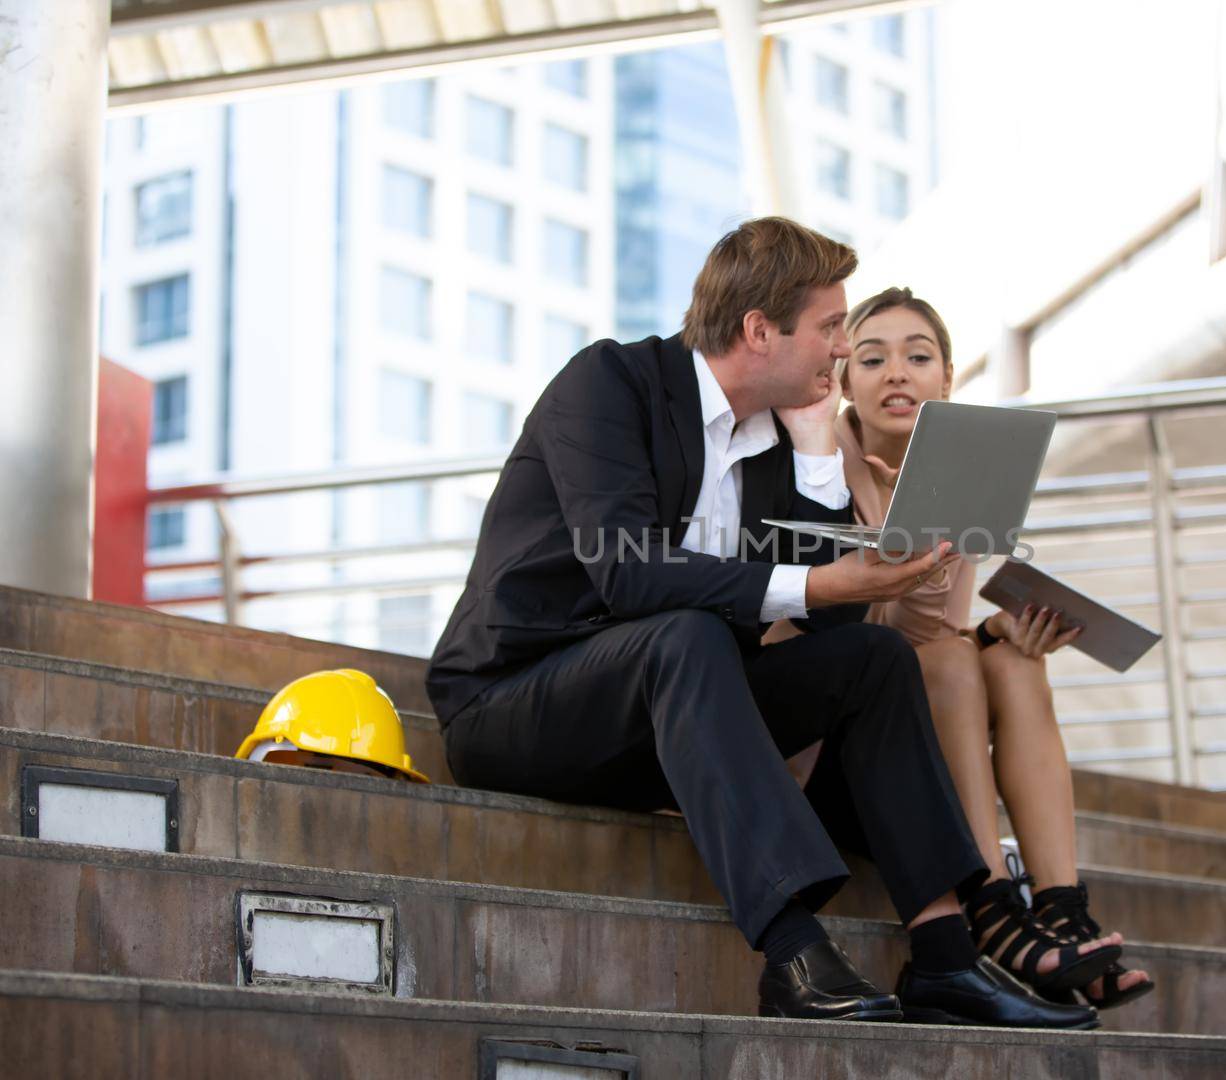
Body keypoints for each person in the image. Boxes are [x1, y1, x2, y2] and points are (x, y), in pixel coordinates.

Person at [426, 219, 1099, 1029]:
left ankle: (948, 958)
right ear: (758, 330)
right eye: (829, 327)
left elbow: (835, 614)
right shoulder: (610, 385)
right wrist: (815, 579)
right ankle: (793, 954)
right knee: (686, 631)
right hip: (519, 703)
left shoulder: (776, 439)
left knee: (874, 658)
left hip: (670, 722)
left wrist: (818, 452)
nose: (842, 349)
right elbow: (630, 572)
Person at [776, 286, 1154, 1010]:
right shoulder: (814, 456)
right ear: (846, 378)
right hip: (831, 750)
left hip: (912, 724)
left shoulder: (964, 470)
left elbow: (931, 637)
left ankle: (1062, 910)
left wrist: (995, 633)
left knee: (1013, 658)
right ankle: (990, 907)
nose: (897, 373)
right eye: (874, 357)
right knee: (954, 657)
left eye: (918, 357)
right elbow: (854, 650)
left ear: (946, 378)